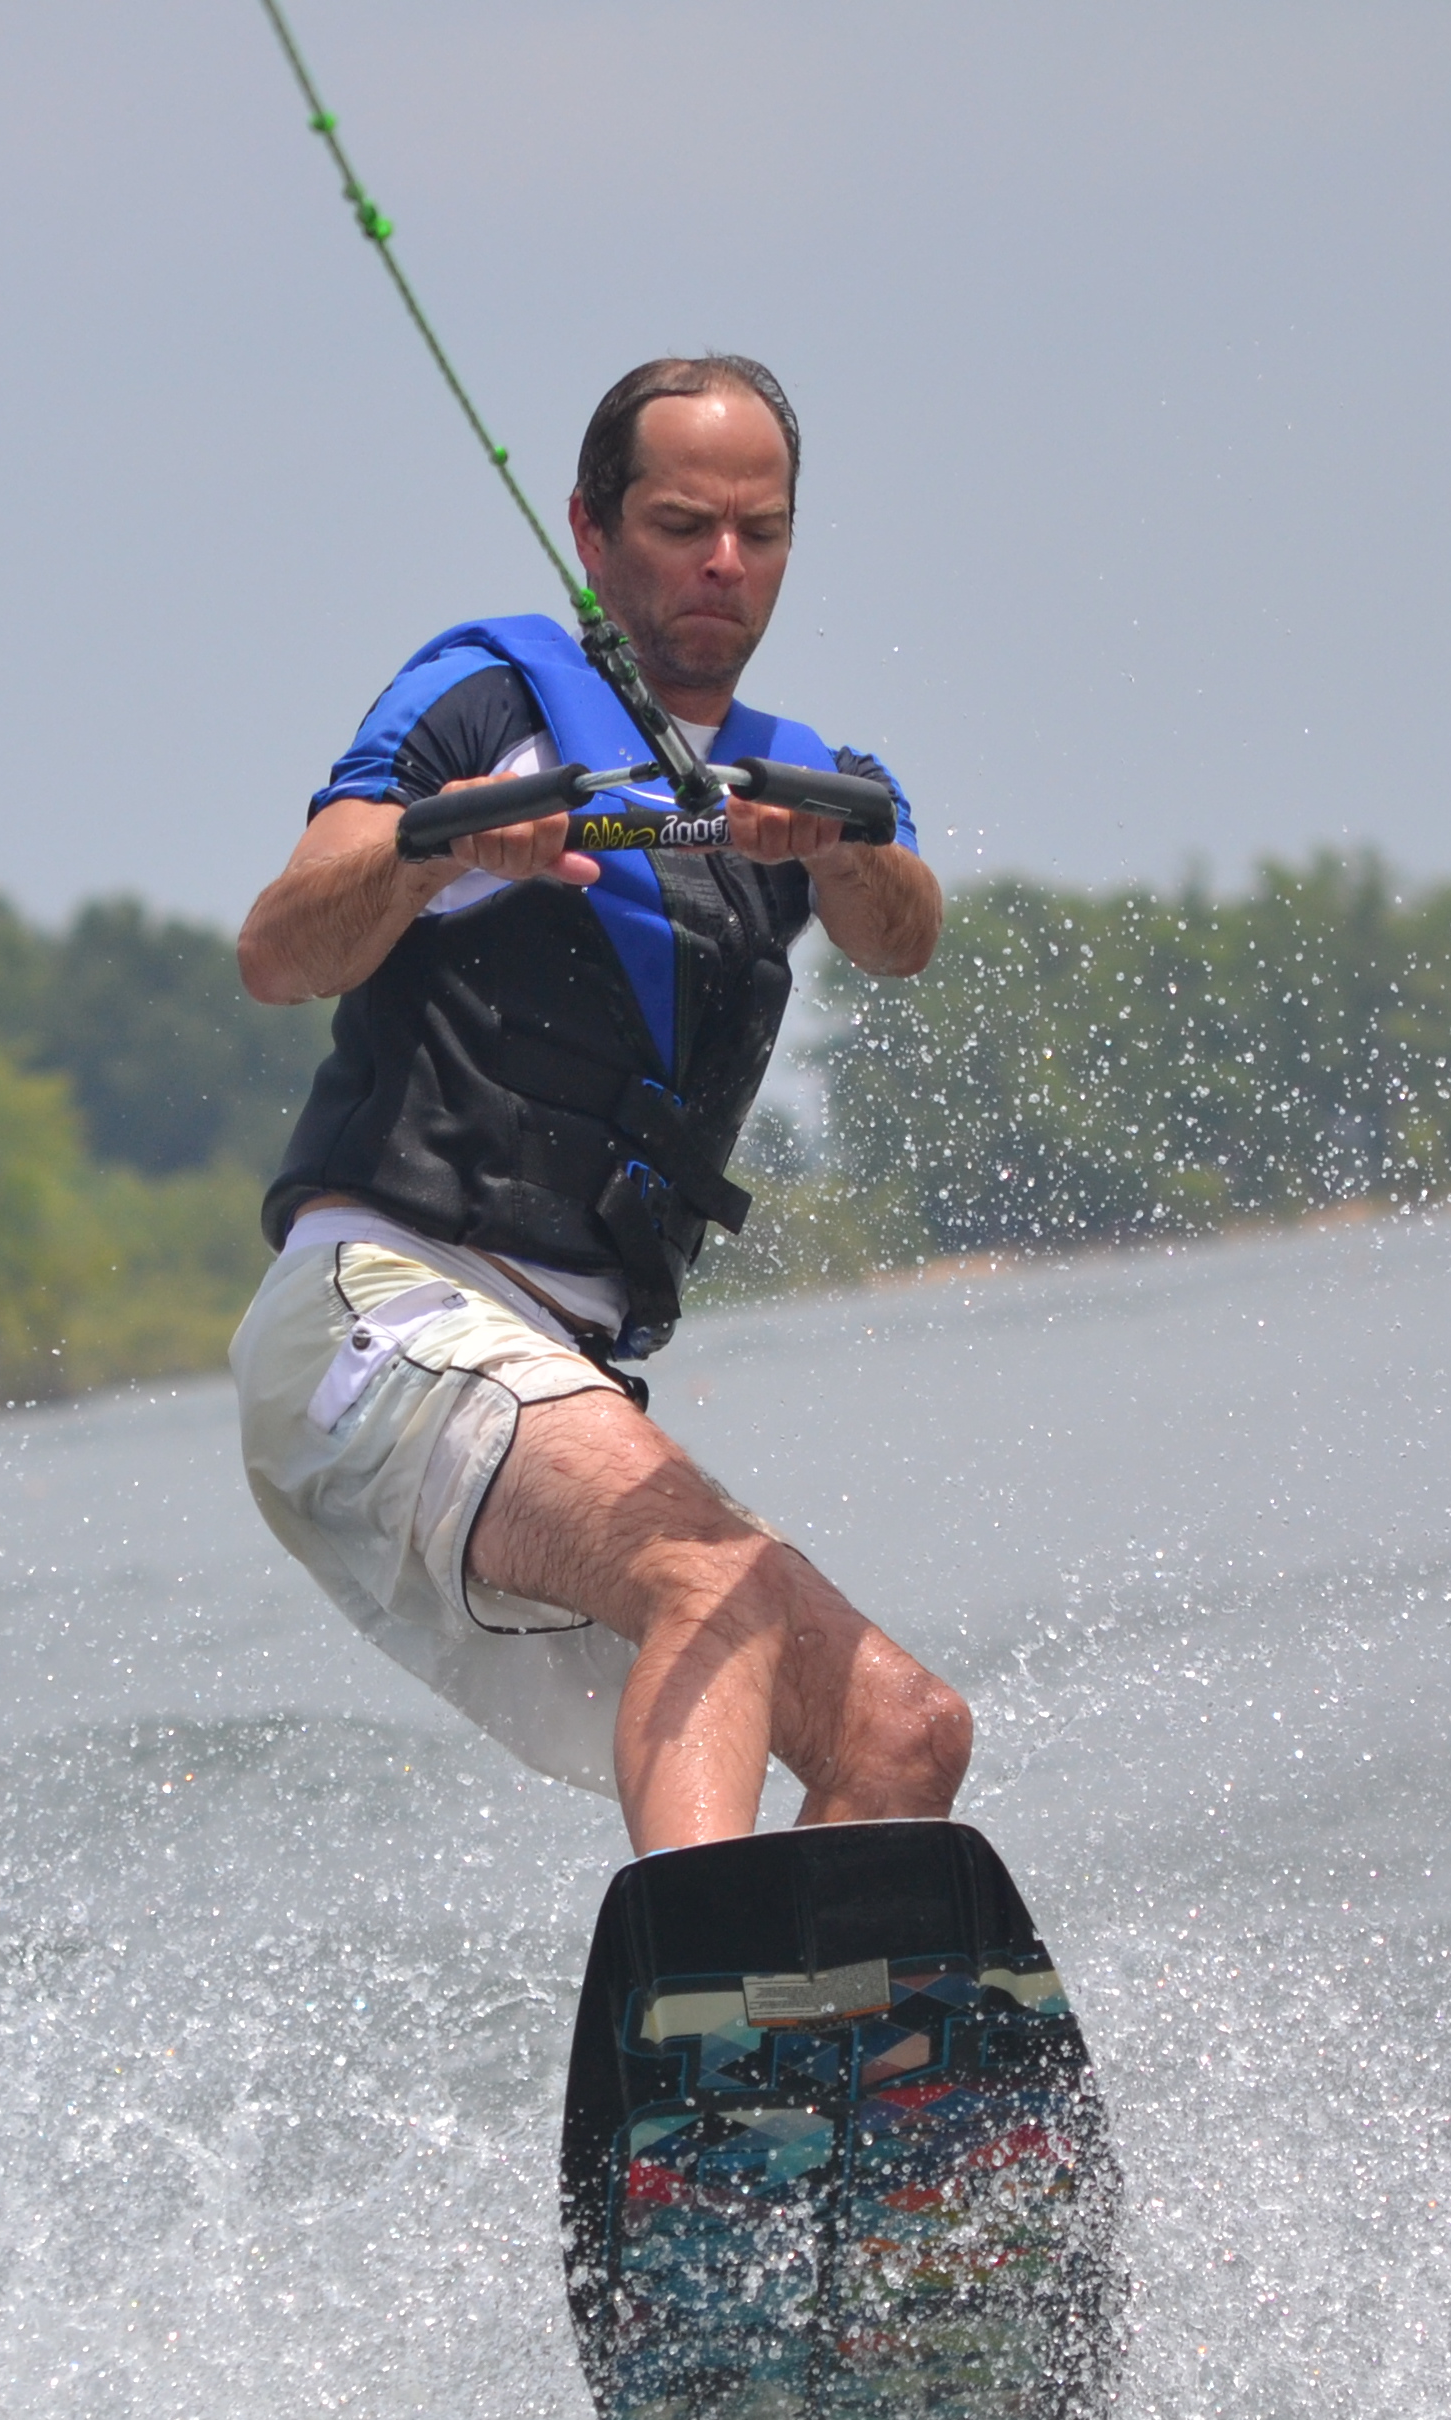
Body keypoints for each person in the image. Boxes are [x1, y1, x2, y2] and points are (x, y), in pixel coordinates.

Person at [232, 354, 966, 1856]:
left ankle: (802, 2079)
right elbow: (279, 946)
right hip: (385, 1318)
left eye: (760, 534)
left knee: (902, 1734)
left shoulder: (804, 776)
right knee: (716, 1580)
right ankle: (706, 2007)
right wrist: (444, 846)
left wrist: (833, 849)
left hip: (554, 1379)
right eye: (684, 523)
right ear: (589, 526)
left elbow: (906, 934)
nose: (722, 565)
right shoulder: (489, 698)